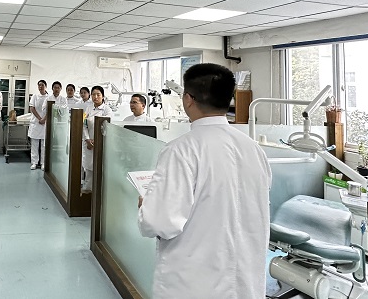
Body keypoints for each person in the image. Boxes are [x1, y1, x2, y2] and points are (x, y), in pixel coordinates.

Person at [137, 63, 272, 298]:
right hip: (245, 283)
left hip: (193, 284)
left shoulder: (181, 150)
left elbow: (160, 222)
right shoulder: (254, 150)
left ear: (188, 99)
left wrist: (146, 206)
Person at [82, 85, 114, 192]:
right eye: (93, 94)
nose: (95, 97)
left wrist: (97, 140)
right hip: (89, 143)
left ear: (103, 96)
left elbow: (108, 128)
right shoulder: (88, 108)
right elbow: (84, 125)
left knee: (100, 169)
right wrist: (87, 139)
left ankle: (99, 193)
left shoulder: (107, 110)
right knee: (88, 168)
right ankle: (87, 191)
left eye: (98, 94)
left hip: (101, 143)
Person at [28, 80, 49, 170]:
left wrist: (44, 119)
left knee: (44, 145)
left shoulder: (49, 97)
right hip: (36, 122)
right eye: (39, 85)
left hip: (45, 123)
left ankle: (43, 163)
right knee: (34, 144)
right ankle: (34, 162)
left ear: (45, 86)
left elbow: (50, 109)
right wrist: (39, 118)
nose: (40, 87)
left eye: (42, 85)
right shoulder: (35, 96)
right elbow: (32, 108)